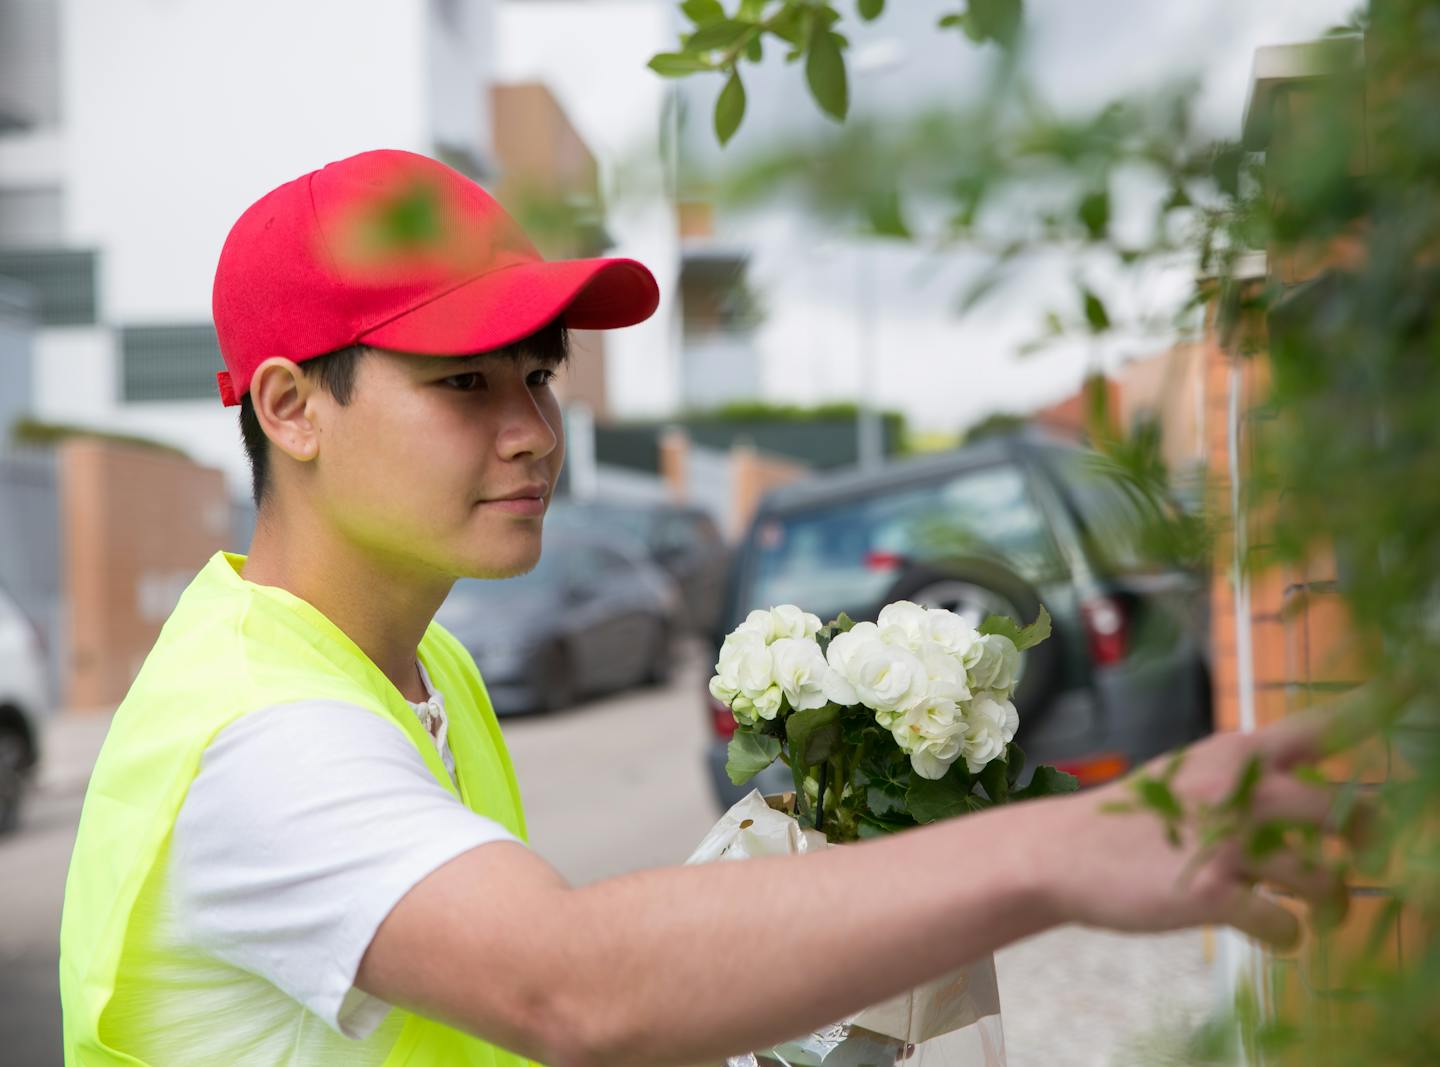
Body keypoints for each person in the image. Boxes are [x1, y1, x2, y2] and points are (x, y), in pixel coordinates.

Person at [59, 149, 1364, 1067]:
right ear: (290, 408)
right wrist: (1074, 848)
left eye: (538, 375)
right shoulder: (262, 734)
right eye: (464, 386)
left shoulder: (419, 664)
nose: (530, 432)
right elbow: (571, 986)